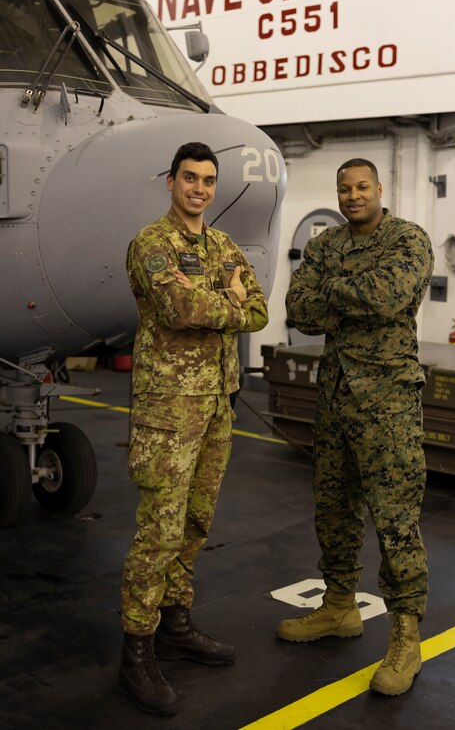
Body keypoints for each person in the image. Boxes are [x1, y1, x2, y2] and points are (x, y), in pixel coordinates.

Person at [119, 141, 268, 716]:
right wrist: (223, 298)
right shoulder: (152, 244)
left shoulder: (224, 244)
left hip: (215, 405)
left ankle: (174, 625)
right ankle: (135, 650)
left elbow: (257, 310)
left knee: (196, 521)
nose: (199, 189)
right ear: (171, 182)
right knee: (158, 528)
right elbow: (180, 311)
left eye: (208, 180)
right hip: (168, 409)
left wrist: (222, 302)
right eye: (189, 178)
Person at [276, 158, 433, 697]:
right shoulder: (324, 245)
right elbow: (297, 309)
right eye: (344, 189)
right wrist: (354, 295)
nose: (352, 196)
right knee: (334, 508)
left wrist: (334, 295)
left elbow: (390, 296)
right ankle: (340, 607)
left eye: (361, 186)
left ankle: (406, 636)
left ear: (379, 189)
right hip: (337, 396)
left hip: (388, 399)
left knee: (395, 519)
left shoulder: (408, 240)